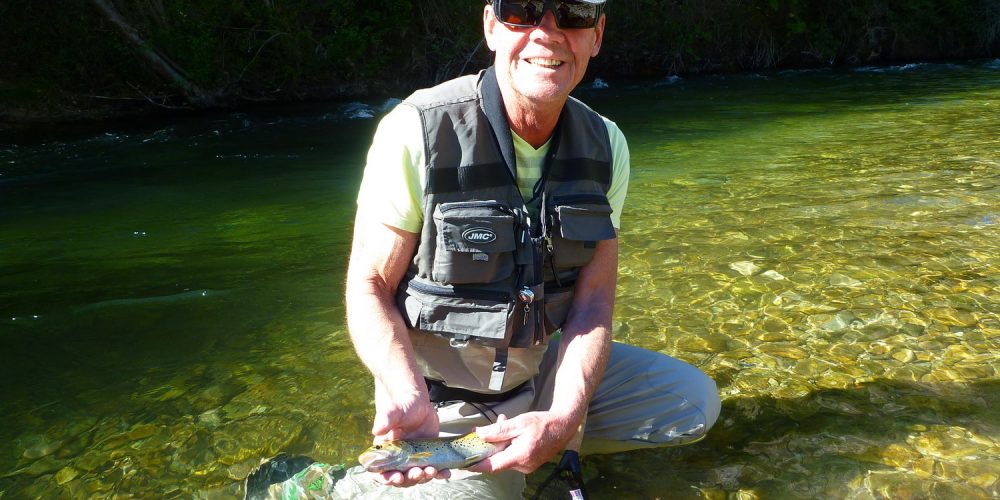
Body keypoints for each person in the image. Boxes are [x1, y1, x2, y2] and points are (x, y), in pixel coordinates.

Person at [345, 0, 721, 494]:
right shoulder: (416, 129)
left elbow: (593, 301)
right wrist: (405, 391)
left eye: (572, 14)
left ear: (596, 35)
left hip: (541, 377)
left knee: (693, 405)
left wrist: (565, 416)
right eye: (522, 10)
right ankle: (365, 486)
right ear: (491, 26)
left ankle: (538, 444)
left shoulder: (606, 143)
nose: (547, 32)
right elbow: (369, 284)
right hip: (439, 410)